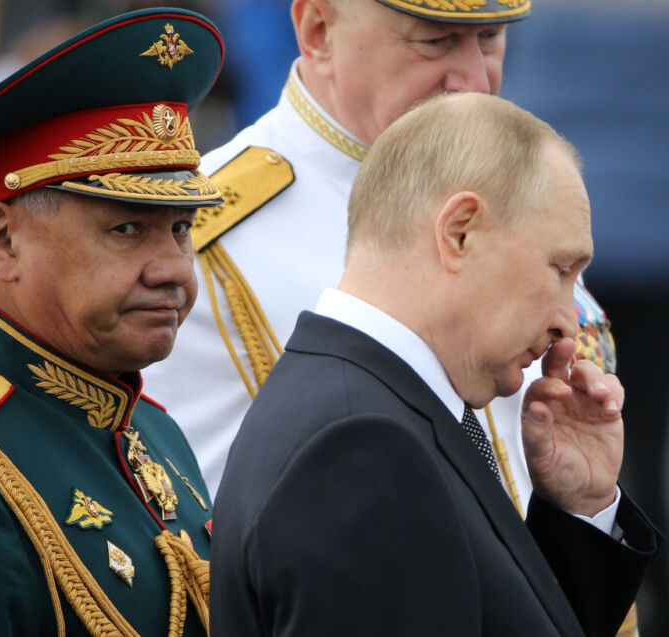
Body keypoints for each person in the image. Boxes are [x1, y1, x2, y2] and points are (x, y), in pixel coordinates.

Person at [211, 92, 662, 637]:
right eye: (560, 268)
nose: (569, 322)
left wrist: (577, 509)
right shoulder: (361, 448)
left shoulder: (369, 408)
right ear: (459, 232)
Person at [143, 0, 584, 518]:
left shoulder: (529, 199)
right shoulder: (199, 233)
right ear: (319, 31)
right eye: (435, 41)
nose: (473, 81)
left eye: (490, 38)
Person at [0, 8, 223, 636]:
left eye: (180, 229)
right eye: (127, 230)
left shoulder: (146, 423)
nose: (172, 268)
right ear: (3, 242)